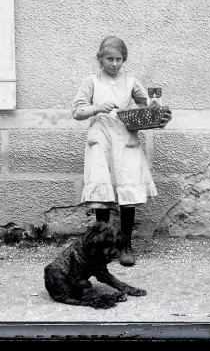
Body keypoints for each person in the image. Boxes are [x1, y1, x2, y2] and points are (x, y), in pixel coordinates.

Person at [70, 36, 170, 266]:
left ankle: (125, 246)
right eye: (109, 59)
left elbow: (149, 106)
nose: (114, 64)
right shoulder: (92, 82)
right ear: (100, 59)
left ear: (124, 60)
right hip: (101, 140)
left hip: (126, 141)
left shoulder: (131, 82)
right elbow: (76, 111)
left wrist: (158, 111)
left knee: (127, 196)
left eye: (118, 59)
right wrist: (96, 108)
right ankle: (103, 248)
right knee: (102, 197)